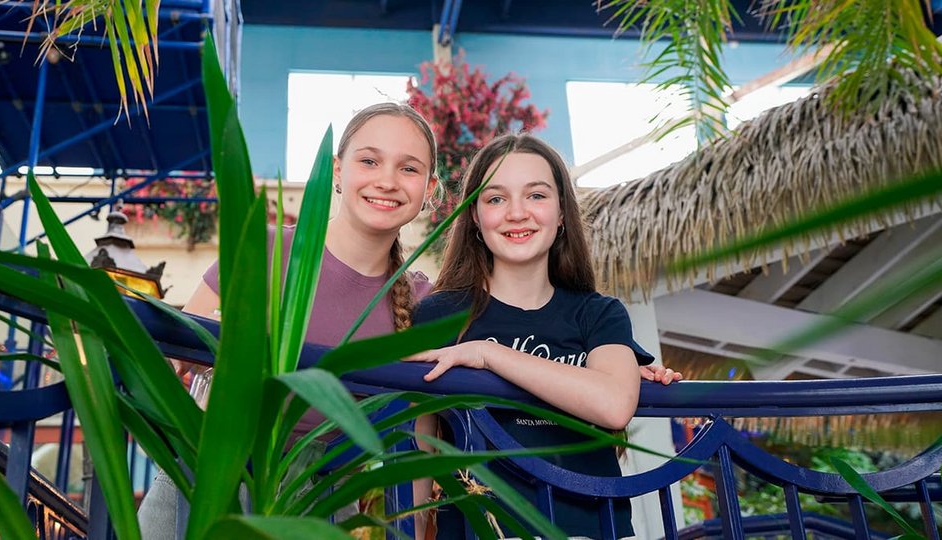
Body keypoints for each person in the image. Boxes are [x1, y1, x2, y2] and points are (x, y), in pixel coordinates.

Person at [138, 102, 440, 538]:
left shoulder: (420, 303)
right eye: (369, 160)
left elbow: (420, 434)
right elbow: (173, 360)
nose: (387, 181)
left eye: (408, 169)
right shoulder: (261, 251)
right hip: (208, 486)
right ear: (337, 171)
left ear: (429, 188)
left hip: (320, 506)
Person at [407, 134, 681, 540]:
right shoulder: (438, 316)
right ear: (476, 219)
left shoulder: (598, 314)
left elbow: (613, 405)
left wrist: (490, 355)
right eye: (496, 199)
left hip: (593, 529)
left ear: (562, 213)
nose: (517, 213)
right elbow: (417, 456)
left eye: (536, 195)